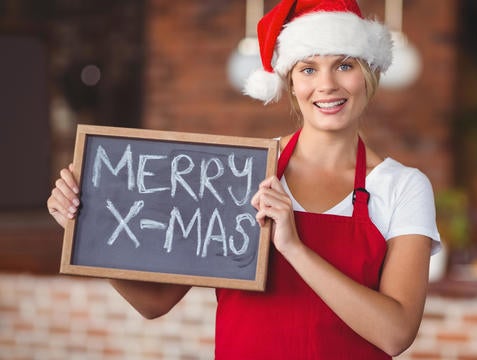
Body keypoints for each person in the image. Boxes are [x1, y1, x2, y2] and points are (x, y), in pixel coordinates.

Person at [47, 0, 441, 358]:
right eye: (308, 68)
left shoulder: (402, 186)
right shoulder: (240, 170)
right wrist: (84, 228)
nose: (327, 85)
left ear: (368, 73)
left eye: (344, 65)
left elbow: (395, 333)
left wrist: (294, 247)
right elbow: (156, 303)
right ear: (290, 82)